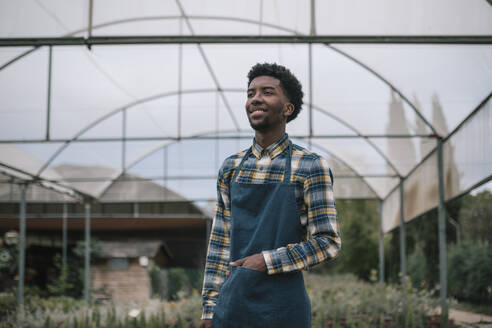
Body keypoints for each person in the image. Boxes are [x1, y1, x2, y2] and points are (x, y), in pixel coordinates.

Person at [200, 63, 341, 328]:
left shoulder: (310, 166)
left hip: (283, 308)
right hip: (232, 306)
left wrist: (266, 260)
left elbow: (328, 242)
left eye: (267, 92)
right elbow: (220, 243)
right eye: (251, 93)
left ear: (287, 108)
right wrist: (209, 309)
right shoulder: (231, 168)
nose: (255, 99)